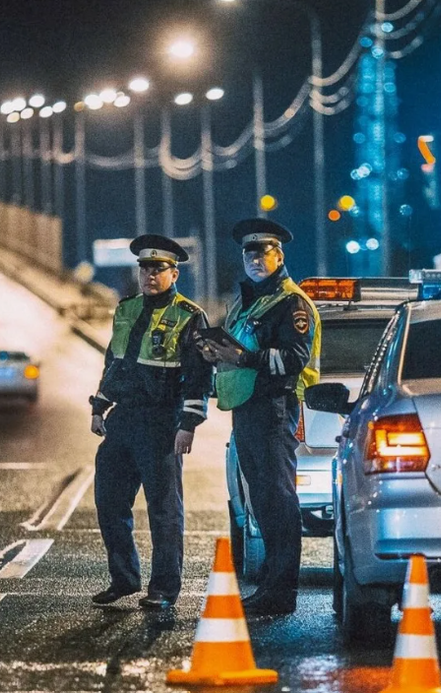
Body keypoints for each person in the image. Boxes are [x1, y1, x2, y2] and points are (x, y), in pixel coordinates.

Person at [198, 218, 320, 615]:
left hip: (273, 407)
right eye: (249, 254)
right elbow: (237, 350)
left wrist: (243, 357)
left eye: (263, 253)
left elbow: (294, 359)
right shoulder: (247, 301)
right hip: (247, 410)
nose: (254, 260)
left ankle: (282, 591)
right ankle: (270, 582)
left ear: (278, 257)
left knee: (279, 501)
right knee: (262, 502)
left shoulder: (291, 303)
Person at [88, 234, 211, 611]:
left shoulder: (189, 315)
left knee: (164, 511)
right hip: (123, 418)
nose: (149, 275)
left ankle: (163, 589)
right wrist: (100, 405)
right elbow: (115, 362)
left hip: (162, 422)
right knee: (109, 501)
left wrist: (189, 422)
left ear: (174, 274)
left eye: (158, 269)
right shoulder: (125, 309)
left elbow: (199, 374)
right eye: (144, 269)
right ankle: (123, 579)